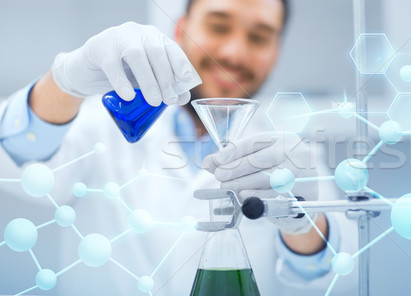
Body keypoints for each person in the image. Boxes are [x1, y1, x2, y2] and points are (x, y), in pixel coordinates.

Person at [0, 0, 358, 295]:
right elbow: (17, 161)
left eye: (260, 37)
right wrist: (63, 84)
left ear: (276, 50)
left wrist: (304, 225)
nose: (235, 52)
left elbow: (336, 278)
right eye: (219, 26)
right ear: (180, 30)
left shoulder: (291, 157)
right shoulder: (100, 126)